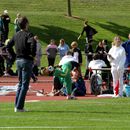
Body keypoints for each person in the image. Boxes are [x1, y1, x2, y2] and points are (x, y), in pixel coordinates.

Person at [6, 16, 36, 112]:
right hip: (27, 60)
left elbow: (8, 45)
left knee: (20, 84)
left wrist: (13, 55)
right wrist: (33, 54)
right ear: (26, 24)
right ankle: (19, 107)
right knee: (24, 85)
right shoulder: (29, 34)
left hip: (18, 60)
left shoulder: (16, 34)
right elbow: (33, 44)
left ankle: (17, 105)